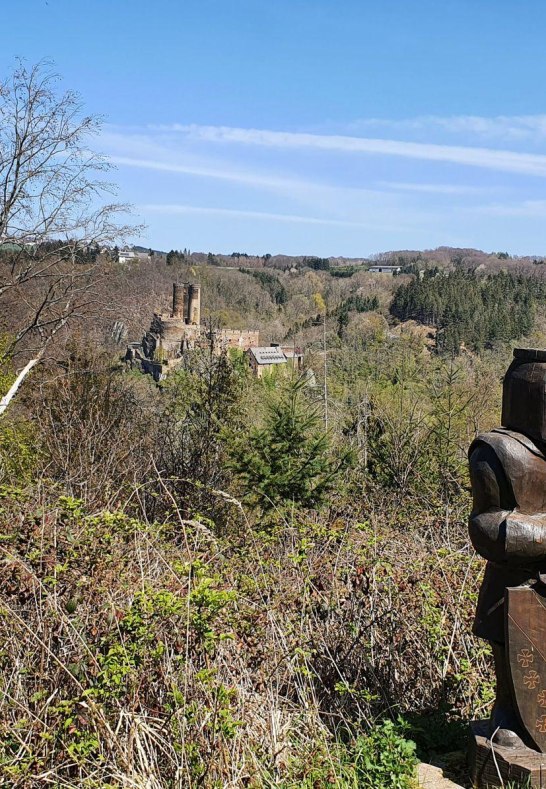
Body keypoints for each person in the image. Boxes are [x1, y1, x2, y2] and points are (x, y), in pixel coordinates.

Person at [469, 348, 546, 747]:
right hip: (514, 582)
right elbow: (485, 525)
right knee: (512, 651)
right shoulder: (499, 452)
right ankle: (509, 715)